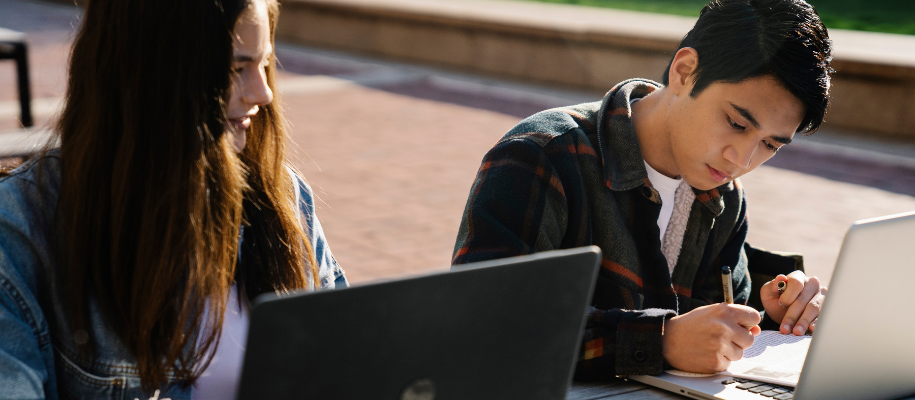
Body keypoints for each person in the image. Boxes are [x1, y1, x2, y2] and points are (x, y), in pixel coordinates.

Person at [452, 0, 831, 377]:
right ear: (684, 72)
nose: (741, 159)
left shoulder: (725, 198)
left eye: (770, 145)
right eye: (736, 123)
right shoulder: (543, 154)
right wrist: (661, 341)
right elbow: (486, 325)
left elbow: (717, 334)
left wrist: (776, 317)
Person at [0, 0, 346, 398]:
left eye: (263, 64)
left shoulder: (282, 195)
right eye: (235, 69)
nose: (262, 93)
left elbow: (351, 361)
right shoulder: (20, 233)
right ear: (152, 74)